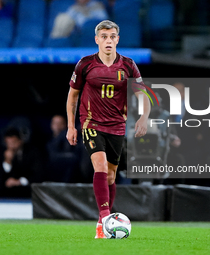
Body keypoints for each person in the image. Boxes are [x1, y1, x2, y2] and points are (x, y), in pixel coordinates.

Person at [66, 20, 150, 238]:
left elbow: (144, 95)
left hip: (117, 125)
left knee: (111, 176)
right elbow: (72, 96)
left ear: (117, 39)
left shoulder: (128, 65)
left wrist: (144, 117)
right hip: (90, 123)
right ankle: (105, 217)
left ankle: (101, 225)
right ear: (97, 40)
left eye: (112, 36)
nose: (108, 40)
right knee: (100, 164)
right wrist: (70, 126)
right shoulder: (84, 64)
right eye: (104, 37)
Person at [0, 126, 44, 198]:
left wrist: (19, 182)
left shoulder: (33, 152)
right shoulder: (1, 153)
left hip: (27, 191)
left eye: (14, 142)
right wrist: (7, 161)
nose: (11, 146)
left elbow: (38, 174)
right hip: (6, 193)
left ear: (20, 141)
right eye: (8, 143)